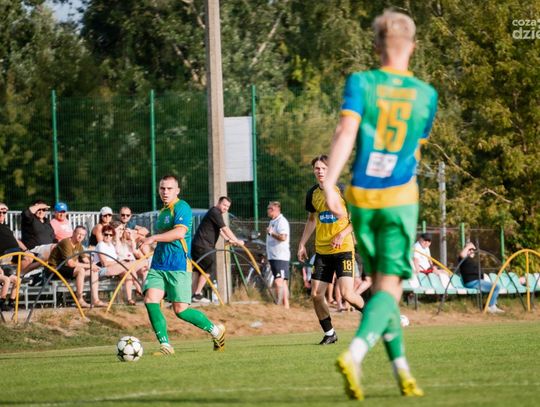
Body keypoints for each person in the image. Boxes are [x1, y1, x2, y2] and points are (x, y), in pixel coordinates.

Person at [323, 10, 437, 399]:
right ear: (413, 47)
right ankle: (354, 354)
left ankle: (402, 373)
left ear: (376, 47)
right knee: (389, 290)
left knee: (384, 289)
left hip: (361, 197)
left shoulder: (361, 82)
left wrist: (330, 184)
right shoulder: (426, 94)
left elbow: (345, 132)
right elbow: (415, 148)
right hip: (400, 197)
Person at [141, 174, 225, 356]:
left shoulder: (182, 207)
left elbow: (179, 233)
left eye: (169, 188)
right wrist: (145, 237)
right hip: (159, 265)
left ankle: (216, 331)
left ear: (177, 190)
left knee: (181, 310)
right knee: (150, 300)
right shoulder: (163, 212)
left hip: (178, 265)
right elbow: (165, 238)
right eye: (162, 188)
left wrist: (153, 237)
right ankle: (165, 345)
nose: (165, 192)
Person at [297, 155, 365, 345]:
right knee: (316, 295)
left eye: (323, 168)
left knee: (347, 294)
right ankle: (330, 333)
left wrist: (342, 234)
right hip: (323, 252)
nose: (320, 171)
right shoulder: (312, 193)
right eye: (317, 168)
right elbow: (312, 220)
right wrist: (302, 243)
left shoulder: (342, 190)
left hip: (343, 249)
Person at [191, 196, 244, 303]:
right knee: (208, 268)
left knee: (197, 270)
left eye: (228, 207)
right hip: (204, 245)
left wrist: (228, 239)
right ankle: (197, 294)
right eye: (224, 205)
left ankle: (193, 295)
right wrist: (237, 240)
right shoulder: (215, 212)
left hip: (198, 245)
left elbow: (219, 230)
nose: (225, 208)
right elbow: (225, 228)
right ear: (219, 203)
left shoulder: (213, 213)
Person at [48, 226, 104, 308]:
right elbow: (70, 263)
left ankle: (95, 300)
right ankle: (80, 300)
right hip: (55, 269)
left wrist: (94, 266)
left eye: (83, 235)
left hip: (67, 269)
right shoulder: (66, 242)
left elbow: (85, 260)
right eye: (79, 234)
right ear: (73, 233)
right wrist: (89, 265)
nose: (80, 236)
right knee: (80, 270)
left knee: (94, 271)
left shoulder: (79, 245)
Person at [94, 225, 140, 305]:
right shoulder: (101, 245)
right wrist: (119, 262)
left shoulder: (111, 245)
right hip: (102, 269)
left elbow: (115, 259)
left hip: (113, 268)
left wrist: (119, 262)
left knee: (128, 274)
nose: (108, 236)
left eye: (110, 235)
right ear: (102, 234)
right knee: (127, 265)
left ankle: (129, 299)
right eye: (106, 234)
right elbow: (104, 263)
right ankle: (139, 287)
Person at [458, 242, 503, 314]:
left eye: (473, 250)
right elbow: (462, 254)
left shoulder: (472, 260)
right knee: (496, 287)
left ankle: (492, 305)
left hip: (478, 281)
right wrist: (469, 246)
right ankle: (490, 306)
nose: (472, 251)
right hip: (472, 282)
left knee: (494, 287)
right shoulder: (463, 259)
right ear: (466, 249)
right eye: (470, 249)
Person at [265, 201, 291, 308]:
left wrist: (271, 233)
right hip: (274, 256)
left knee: (279, 281)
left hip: (280, 257)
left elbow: (283, 237)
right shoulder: (273, 221)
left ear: (275, 210)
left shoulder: (281, 221)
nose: (267, 211)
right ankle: (285, 306)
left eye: (269, 208)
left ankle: (280, 305)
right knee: (282, 281)